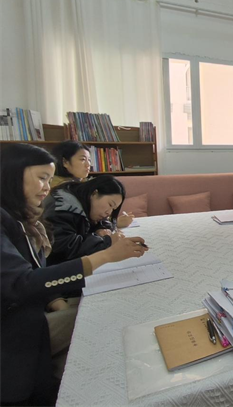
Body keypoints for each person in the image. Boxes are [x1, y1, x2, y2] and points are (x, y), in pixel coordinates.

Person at [0, 144, 147, 406]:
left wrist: (53, 298)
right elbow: (20, 283)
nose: (47, 188)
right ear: (12, 174)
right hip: (17, 329)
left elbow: (33, 269)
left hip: (38, 309)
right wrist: (105, 255)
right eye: (41, 178)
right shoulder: (18, 216)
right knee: (108, 316)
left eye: (49, 179)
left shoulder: (21, 216)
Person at [43, 175, 129, 265]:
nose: (109, 212)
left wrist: (102, 229)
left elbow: (104, 221)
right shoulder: (63, 207)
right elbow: (66, 248)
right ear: (94, 193)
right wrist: (107, 241)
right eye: (110, 204)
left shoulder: (83, 199)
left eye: (113, 209)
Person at [51, 140, 133, 228]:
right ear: (65, 162)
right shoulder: (59, 189)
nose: (88, 165)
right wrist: (113, 224)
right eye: (82, 159)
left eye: (89, 160)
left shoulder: (83, 183)